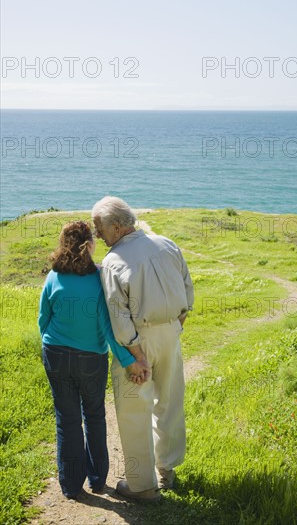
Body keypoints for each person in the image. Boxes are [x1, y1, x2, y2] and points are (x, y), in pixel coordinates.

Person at [92, 196, 194, 503]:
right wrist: (176, 325)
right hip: (170, 334)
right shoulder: (167, 243)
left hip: (139, 340)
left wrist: (136, 354)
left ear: (117, 226)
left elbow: (119, 315)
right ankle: (167, 471)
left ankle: (142, 486)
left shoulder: (113, 261)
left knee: (135, 410)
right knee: (170, 402)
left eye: (99, 227)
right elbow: (188, 290)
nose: (97, 234)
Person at [38, 221, 148, 500]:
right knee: (95, 416)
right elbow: (109, 330)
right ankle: (98, 480)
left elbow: (43, 319)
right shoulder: (99, 279)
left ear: (63, 244)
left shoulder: (53, 276)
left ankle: (71, 486)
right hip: (91, 359)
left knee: (67, 420)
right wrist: (128, 359)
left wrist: (55, 344)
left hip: (56, 354)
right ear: (89, 245)